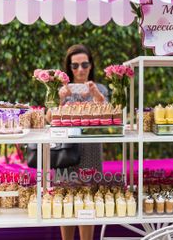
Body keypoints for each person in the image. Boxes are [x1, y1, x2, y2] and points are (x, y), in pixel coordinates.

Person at [59, 44, 108, 240]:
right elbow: (47, 118)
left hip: (91, 150)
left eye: (84, 64)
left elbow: (110, 118)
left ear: (91, 66)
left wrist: (97, 96)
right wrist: (60, 100)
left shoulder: (100, 89)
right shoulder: (61, 90)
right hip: (65, 151)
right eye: (75, 66)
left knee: (88, 200)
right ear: (69, 68)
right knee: (66, 200)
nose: (80, 70)